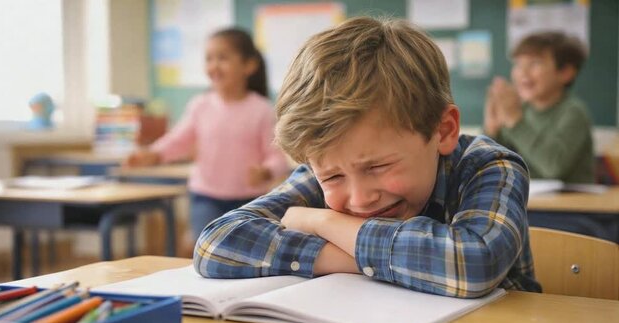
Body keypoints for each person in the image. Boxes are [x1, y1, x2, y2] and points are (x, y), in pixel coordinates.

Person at [193, 17, 541, 299]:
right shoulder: (332, 163)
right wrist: (363, 257)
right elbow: (215, 244)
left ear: (443, 131)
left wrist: (325, 224)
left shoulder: (490, 165)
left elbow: (474, 265)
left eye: (378, 166)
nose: (359, 198)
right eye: (331, 178)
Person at [125, 28, 288, 248]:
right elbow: (178, 140)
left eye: (223, 58)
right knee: (206, 252)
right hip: (205, 197)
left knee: (247, 256)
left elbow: (276, 158)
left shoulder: (261, 110)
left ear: (249, 65)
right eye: (209, 59)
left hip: (250, 201)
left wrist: (266, 171)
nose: (214, 66)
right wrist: (154, 154)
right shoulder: (200, 105)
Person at [484, 31, 593, 183]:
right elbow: (489, 164)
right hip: (529, 201)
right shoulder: (521, 110)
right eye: (518, 64)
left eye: (535, 63)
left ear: (566, 73)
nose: (523, 72)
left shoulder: (573, 112)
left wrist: (515, 121)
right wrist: (491, 129)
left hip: (572, 204)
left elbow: (553, 167)